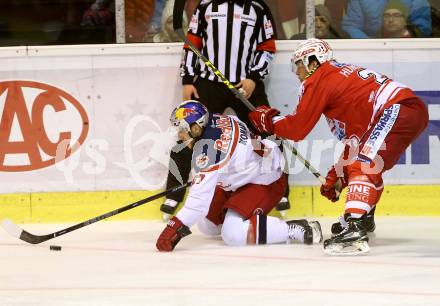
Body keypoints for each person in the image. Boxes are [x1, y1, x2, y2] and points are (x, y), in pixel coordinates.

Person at [248, 38, 429, 255]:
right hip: (405, 110)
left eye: (298, 65)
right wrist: (338, 175)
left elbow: (297, 129)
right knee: (363, 163)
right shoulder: (338, 81)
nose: (297, 72)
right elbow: (356, 141)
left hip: (398, 108)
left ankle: (355, 226)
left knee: (364, 164)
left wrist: (269, 121)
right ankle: (364, 218)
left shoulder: (319, 79)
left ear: (313, 61)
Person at [160, 0, 291, 221]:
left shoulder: (257, 8)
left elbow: (266, 47)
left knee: (268, 133)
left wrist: (254, 78)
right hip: (209, 83)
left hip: (245, 84)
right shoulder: (206, 6)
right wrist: (187, 79)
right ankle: (174, 193)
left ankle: (278, 188)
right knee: (187, 133)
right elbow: (192, 42)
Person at [156, 100, 322, 252]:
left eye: (182, 129)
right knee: (208, 225)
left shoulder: (208, 151)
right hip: (246, 174)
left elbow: (197, 204)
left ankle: (297, 228)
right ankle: (246, 224)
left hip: (266, 180)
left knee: (232, 234)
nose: (180, 135)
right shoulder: (216, 119)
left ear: (195, 128)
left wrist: (173, 228)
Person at [342, 0, 431, 38]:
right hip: (369, 49)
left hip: (407, 48)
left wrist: (405, 40)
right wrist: (371, 45)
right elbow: (351, 26)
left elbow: (422, 29)